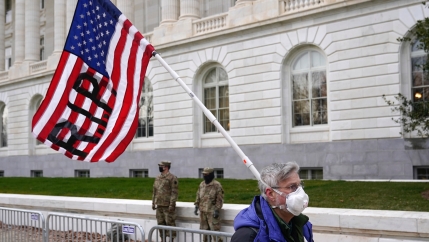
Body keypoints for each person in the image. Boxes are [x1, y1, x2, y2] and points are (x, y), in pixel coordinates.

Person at [231, 162, 314, 242]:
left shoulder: (298, 225)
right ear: (271, 194)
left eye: (299, 185)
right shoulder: (248, 237)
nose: (300, 191)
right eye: (292, 186)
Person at [194, 167, 224, 242]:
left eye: (206, 174)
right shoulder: (202, 184)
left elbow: (219, 199)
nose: (204, 176)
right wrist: (196, 205)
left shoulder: (217, 185)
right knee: (205, 234)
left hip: (212, 213)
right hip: (203, 212)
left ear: (211, 174)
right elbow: (198, 195)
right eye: (203, 174)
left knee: (215, 233)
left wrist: (217, 210)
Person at [152, 160, 179, 242]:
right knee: (160, 224)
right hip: (159, 205)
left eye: (161, 166)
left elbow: (174, 192)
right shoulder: (157, 177)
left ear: (166, 167)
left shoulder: (172, 178)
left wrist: (171, 204)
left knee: (170, 224)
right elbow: (154, 190)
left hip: (168, 206)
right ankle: (162, 240)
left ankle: (171, 240)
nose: (159, 167)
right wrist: (153, 202)